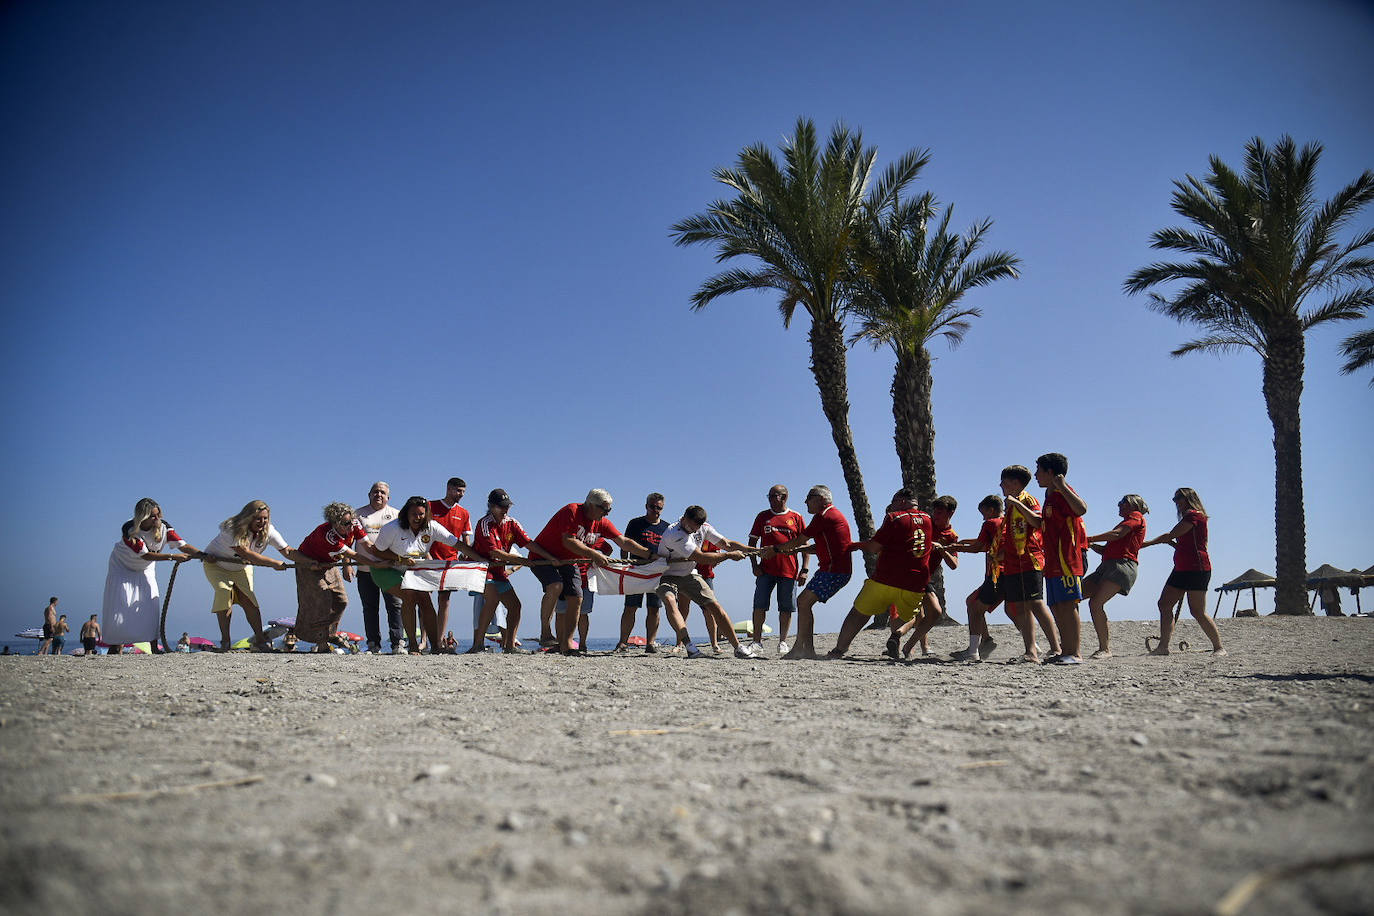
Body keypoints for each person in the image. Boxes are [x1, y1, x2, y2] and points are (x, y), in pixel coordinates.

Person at [530, 489, 652, 654]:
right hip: (543, 557)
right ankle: (545, 632)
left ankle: (567, 644)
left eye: (609, 510)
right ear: (591, 505)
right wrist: (594, 554)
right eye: (605, 509)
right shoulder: (572, 511)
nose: (607, 513)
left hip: (569, 561)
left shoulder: (602, 522)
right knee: (556, 586)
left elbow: (623, 541)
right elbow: (568, 541)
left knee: (577, 598)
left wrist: (648, 554)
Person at [369, 496, 487, 654]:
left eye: (421, 514)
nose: (417, 518)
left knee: (425, 600)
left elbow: (457, 544)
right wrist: (399, 559)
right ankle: (412, 644)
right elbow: (376, 551)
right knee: (409, 595)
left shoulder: (432, 527)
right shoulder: (392, 528)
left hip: (412, 570)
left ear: (426, 514)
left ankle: (436, 646)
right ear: (406, 514)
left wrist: (480, 560)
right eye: (413, 514)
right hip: (385, 568)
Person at [828, 488, 934, 659]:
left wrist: (856, 545)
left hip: (887, 578)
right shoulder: (928, 518)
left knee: (859, 613)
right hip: (916, 581)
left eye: (893, 502)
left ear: (901, 501)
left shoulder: (894, 517)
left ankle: (839, 650)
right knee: (909, 615)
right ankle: (897, 639)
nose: (891, 507)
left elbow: (874, 547)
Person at [654, 506, 758, 659]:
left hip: (688, 573)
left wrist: (754, 550)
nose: (693, 530)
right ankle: (689, 647)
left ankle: (738, 647)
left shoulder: (704, 527)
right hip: (665, 575)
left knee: (714, 606)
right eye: (691, 527)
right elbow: (700, 557)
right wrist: (728, 556)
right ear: (684, 518)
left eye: (696, 528)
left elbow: (727, 544)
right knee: (670, 601)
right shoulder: (674, 534)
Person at [764, 485, 853, 660]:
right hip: (832, 570)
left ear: (821, 499)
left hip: (834, 571)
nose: (805, 502)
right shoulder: (830, 515)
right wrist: (793, 551)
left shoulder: (824, 516)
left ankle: (801, 648)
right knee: (804, 603)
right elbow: (818, 546)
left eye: (809, 497)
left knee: (803, 602)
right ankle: (807, 649)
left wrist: (776, 549)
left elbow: (800, 539)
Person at [103, 498, 202, 654]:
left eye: (158, 515)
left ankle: (154, 646)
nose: (157, 519)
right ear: (142, 517)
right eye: (152, 516)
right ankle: (115, 646)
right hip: (122, 566)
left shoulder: (164, 528)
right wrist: (172, 557)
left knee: (151, 603)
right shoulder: (130, 530)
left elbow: (183, 545)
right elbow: (145, 555)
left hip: (145, 568)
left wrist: (203, 555)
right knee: (121, 604)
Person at [202, 500, 302, 652]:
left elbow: (288, 551)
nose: (262, 522)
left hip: (242, 567)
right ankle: (225, 642)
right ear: (248, 517)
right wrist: (274, 563)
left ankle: (260, 640)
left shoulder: (269, 531)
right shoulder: (232, 528)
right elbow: (246, 553)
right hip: (217, 565)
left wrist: (310, 561)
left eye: (265, 518)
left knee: (249, 599)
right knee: (224, 592)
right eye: (258, 518)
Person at [469, 488, 559, 654]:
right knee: (492, 600)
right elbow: (494, 552)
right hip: (483, 570)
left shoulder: (512, 523)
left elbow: (528, 543)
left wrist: (549, 557)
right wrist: (521, 561)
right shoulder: (484, 524)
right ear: (491, 506)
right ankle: (478, 644)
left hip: (499, 571)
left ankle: (510, 645)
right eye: (501, 506)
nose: (505, 510)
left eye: (507, 506)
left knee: (515, 606)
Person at [1141, 487, 1226, 655]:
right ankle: (1163, 647)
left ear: (1189, 498)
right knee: (1164, 604)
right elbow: (1181, 542)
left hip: (1197, 568)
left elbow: (1170, 535)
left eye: (1179, 498)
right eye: (1175, 499)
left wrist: (1146, 544)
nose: (1176, 502)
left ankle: (1219, 647)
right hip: (1181, 568)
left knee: (1197, 611)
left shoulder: (1194, 516)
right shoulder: (1189, 518)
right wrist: (1171, 543)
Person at [998, 465, 1063, 663]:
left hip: (1030, 559)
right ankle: (1030, 651)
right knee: (1020, 606)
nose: (1001, 485)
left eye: (1004, 482)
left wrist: (1017, 504)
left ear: (1015, 483)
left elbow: (1037, 521)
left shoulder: (1028, 500)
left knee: (1035, 603)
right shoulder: (1011, 504)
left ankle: (1056, 648)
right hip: (1012, 562)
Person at [1033, 454, 1089, 665]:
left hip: (1067, 559)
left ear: (1050, 472)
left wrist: (1063, 486)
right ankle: (1066, 651)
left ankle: (1075, 653)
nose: (1036, 475)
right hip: (1052, 560)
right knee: (1056, 606)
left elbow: (1081, 509)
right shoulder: (1049, 495)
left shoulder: (1062, 491)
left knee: (1068, 604)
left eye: (1039, 470)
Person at [294, 502, 372, 652]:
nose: (351, 525)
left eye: (351, 520)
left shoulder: (354, 524)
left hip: (329, 563)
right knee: (322, 600)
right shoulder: (327, 535)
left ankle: (330, 634)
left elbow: (365, 545)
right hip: (308, 563)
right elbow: (352, 554)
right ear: (335, 524)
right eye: (346, 523)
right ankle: (321, 641)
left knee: (341, 601)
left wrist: (383, 557)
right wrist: (377, 564)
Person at [1083, 495, 1150, 659]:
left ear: (1132, 505)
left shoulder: (1135, 517)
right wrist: (1091, 544)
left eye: (1122, 503)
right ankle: (1069, 643)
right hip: (1107, 566)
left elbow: (1117, 534)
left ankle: (1104, 649)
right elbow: (1107, 550)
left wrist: (1088, 538)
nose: (1119, 505)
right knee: (1073, 596)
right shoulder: (1126, 522)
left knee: (1095, 603)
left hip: (1121, 566)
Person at [895, 495, 961, 658]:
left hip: (924, 577)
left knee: (926, 614)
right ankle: (901, 640)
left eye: (939, 513)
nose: (935, 515)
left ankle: (907, 644)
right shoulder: (925, 524)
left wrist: (942, 550)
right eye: (934, 512)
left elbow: (954, 565)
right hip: (910, 573)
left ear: (951, 513)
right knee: (928, 612)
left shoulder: (951, 536)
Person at [747, 484, 808, 656]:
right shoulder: (763, 516)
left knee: (786, 607)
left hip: (789, 570)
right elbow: (752, 542)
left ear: (784, 497)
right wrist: (754, 565)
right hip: (765, 571)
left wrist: (805, 569)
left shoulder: (796, 517)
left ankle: (783, 642)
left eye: (775, 496)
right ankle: (756, 642)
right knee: (759, 605)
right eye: (770, 496)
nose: (772, 499)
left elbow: (805, 545)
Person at [949, 495, 1005, 662]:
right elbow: (986, 543)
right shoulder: (1007, 522)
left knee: (974, 607)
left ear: (991, 510)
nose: (983, 518)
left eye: (984, 513)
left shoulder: (990, 523)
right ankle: (986, 640)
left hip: (996, 574)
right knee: (1015, 612)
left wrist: (956, 547)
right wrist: (965, 542)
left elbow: (978, 547)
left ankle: (973, 651)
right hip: (1010, 573)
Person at [355, 482, 404, 654]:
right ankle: (373, 644)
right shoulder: (357, 514)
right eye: (375, 492)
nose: (379, 495)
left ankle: (398, 643)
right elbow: (349, 540)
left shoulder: (397, 514)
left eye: (382, 492)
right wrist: (347, 566)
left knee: (395, 606)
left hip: (390, 569)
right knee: (370, 608)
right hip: (365, 569)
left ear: (388, 497)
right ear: (369, 495)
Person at [617, 493, 670, 653]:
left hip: (657, 572)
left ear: (663, 508)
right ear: (646, 506)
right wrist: (624, 565)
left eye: (658, 507)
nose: (655, 510)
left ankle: (650, 643)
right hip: (636, 571)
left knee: (654, 608)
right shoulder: (635, 524)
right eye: (652, 507)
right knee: (630, 607)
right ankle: (623, 642)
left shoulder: (667, 528)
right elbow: (625, 545)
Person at [429, 478, 472, 653]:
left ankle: (439, 640)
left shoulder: (464, 513)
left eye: (463, 492)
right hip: (429, 559)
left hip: (450, 562)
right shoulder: (430, 506)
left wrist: (466, 554)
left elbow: (466, 538)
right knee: (424, 600)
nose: (461, 494)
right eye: (458, 490)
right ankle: (424, 640)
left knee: (444, 600)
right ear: (449, 489)